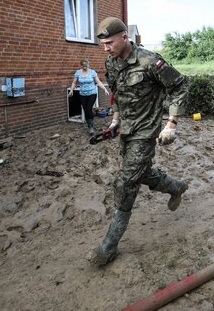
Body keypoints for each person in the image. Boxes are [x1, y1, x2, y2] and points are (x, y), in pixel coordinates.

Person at [87, 17, 188, 266]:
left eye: (110, 43)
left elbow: (180, 86)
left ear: (124, 37)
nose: (106, 48)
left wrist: (172, 123)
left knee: (125, 182)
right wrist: (115, 120)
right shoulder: (111, 62)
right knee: (139, 172)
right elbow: (118, 94)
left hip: (146, 130)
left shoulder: (149, 60)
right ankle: (175, 187)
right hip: (127, 131)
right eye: (103, 44)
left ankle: (108, 248)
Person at [69, 57, 109, 136]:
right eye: (83, 66)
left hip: (92, 93)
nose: (85, 68)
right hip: (82, 94)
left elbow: (98, 81)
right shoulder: (78, 73)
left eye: (86, 66)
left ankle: (91, 127)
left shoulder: (92, 72)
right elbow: (74, 82)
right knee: (86, 109)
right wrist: (71, 90)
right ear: (81, 66)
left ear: (88, 65)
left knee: (88, 108)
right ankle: (90, 125)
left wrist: (104, 89)